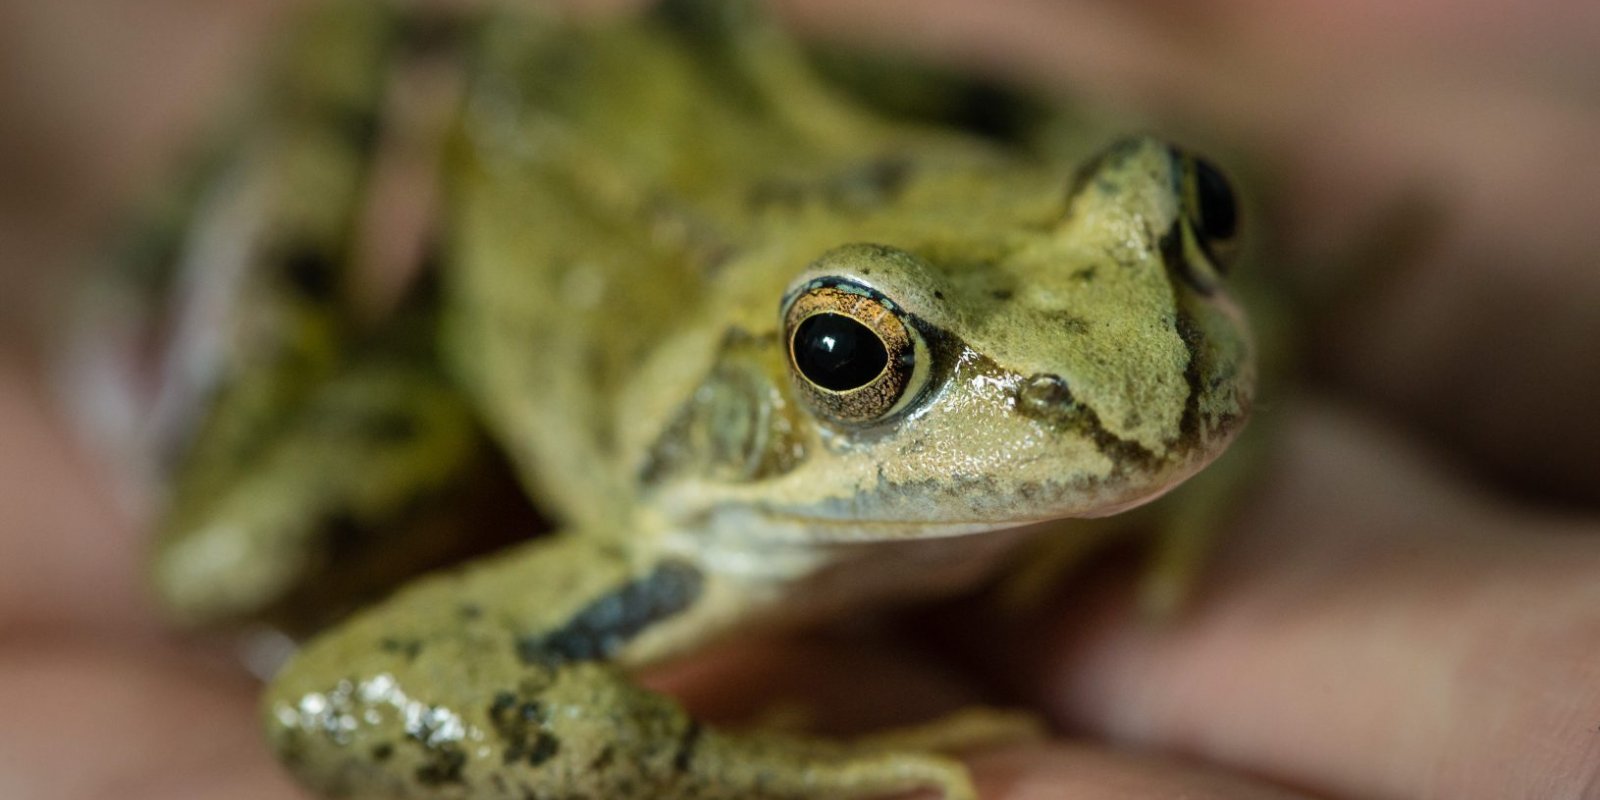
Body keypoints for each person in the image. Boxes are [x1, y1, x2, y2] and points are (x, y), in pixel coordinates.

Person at [2, 1, 1597, 797]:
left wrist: (1249, 372)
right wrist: (725, 771)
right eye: (858, 365)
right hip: (538, 199)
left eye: (1192, 240)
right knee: (232, 556)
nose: (1153, 385)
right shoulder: (680, 551)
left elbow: (1158, 319)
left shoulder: (1157, 340)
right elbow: (342, 696)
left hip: (780, 127)